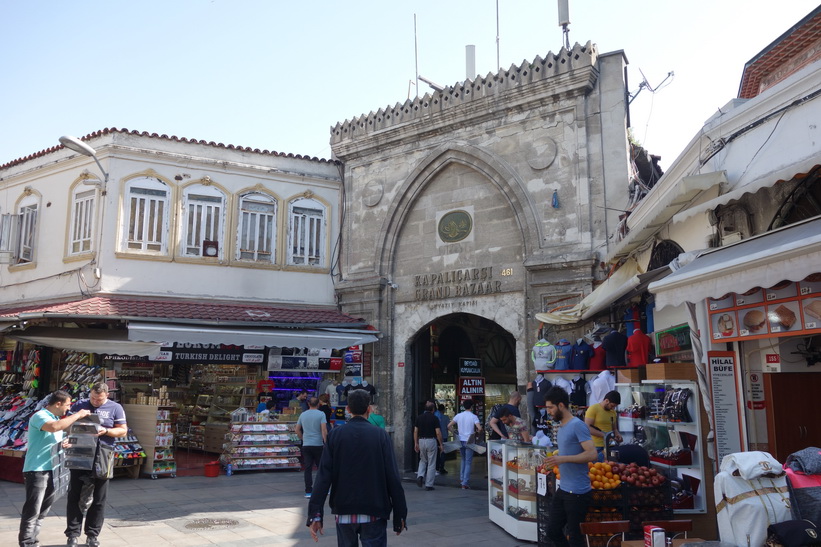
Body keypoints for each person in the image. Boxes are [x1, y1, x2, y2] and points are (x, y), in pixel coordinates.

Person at [306, 389, 407, 546]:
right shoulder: (381, 436)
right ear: (369, 409)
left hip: (344, 509)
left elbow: (323, 476)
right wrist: (400, 514)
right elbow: (392, 477)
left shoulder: (335, 435)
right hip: (374, 509)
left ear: (348, 409)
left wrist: (315, 514)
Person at [19, 391, 91, 547]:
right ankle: (26, 542)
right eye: (67, 405)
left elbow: (55, 434)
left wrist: (65, 442)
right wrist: (77, 415)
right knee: (33, 509)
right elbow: (54, 428)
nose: (68, 408)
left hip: (53, 469)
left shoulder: (55, 418)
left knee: (43, 510)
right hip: (37, 470)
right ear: (58, 404)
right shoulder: (41, 416)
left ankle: (33, 540)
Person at [65, 383, 127, 547]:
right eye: (92, 398)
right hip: (80, 452)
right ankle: (72, 534)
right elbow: (66, 426)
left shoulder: (116, 408)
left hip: (103, 454)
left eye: (99, 399)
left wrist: (106, 431)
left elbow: (123, 430)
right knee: (75, 495)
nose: (95, 401)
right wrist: (78, 424)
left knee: (99, 498)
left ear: (107, 395)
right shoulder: (80, 405)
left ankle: (92, 535)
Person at [543, 386, 598, 547]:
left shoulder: (577, 425)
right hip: (565, 489)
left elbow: (592, 454)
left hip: (578, 492)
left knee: (575, 537)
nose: (549, 411)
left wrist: (562, 459)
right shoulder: (561, 427)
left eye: (550, 407)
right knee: (553, 531)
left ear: (561, 405)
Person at [296, 397, 328, 498]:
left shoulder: (303, 414)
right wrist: (326, 442)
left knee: (308, 468)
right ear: (318, 404)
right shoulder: (321, 414)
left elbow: (297, 430)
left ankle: (308, 491)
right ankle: (323, 489)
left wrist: (302, 438)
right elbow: (324, 430)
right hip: (318, 444)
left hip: (306, 444)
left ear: (308, 404)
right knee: (321, 468)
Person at [447, 399, 482, 489]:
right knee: (468, 462)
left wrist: (455, 432)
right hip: (469, 440)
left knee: (463, 459)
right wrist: (477, 432)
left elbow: (449, 426)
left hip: (460, 439)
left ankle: (462, 478)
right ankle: (465, 482)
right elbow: (480, 428)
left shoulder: (459, 416)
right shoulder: (474, 416)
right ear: (471, 406)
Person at [584, 390, 622, 462]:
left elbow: (614, 428)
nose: (613, 408)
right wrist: (605, 435)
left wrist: (617, 434)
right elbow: (587, 427)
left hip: (610, 445)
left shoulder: (613, 412)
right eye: (612, 406)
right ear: (607, 401)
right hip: (596, 445)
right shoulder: (593, 409)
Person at [414, 401, 443, 491]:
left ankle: (420, 475)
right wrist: (441, 444)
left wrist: (416, 443)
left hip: (421, 440)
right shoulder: (434, 418)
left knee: (423, 460)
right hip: (431, 441)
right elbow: (438, 432)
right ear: (433, 409)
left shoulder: (419, 418)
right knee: (431, 463)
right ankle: (429, 484)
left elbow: (415, 431)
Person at [434, 403, 449, 474]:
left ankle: (436, 467)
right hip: (444, 436)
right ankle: (441, 467)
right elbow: (449, 427)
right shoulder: (446, 417)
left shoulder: (435, 416)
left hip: (436, 437)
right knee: (443, 452)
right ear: (443, 410)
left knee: (436, 452)